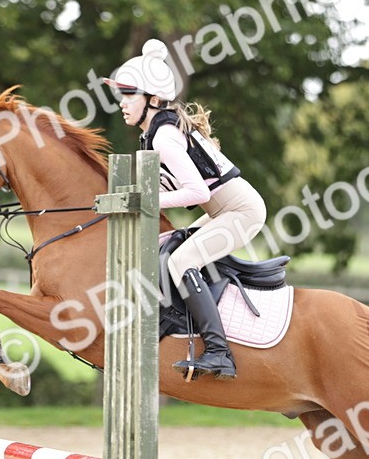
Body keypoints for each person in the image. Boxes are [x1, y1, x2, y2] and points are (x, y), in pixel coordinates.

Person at [103, 39, 267, 380]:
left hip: (242, 211)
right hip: (224, 210)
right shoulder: (154, 132)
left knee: (180, 261)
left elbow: (194, 191)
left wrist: (144, 200)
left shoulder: (163, 137)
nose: (122, 103)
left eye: (129, 94)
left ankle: (219, 352)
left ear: (151, 99)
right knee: (168, 245)